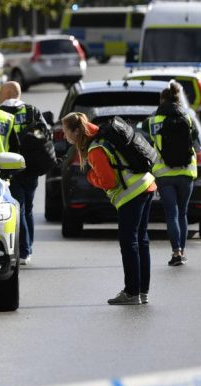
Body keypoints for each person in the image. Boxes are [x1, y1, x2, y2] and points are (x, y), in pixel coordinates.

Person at [62, 112, 157, 305]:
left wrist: (91, 178)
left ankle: (131, 292)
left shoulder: (96, 149)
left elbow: (108, 181)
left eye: (66, 132)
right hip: (146, 184)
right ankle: (142, 291)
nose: (65, 137)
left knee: (129, 243)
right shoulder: (103, 135)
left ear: (77, 130)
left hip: (132, 193)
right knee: (141, 240)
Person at [145, 82, 198, 266]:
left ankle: (176, 252)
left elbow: (144, 136)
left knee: (171, 214)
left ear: (162, 100)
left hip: (164, 174)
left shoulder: (153, 121)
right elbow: (196, 139)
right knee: (183, 213)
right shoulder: (188, 118)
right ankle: (182, 253)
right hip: (186, 172)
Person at [0, 81, 50, 265]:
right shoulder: (31, 111)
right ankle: (28, 249)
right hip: (32, 167)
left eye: (0, 92)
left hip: (10, 167)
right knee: (27, 209)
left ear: (8, 93)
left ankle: (24, 250)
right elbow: (46, 134)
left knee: (17, 209)